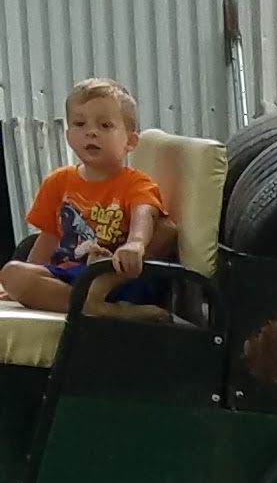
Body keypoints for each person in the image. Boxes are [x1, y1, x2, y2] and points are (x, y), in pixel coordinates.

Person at [3, 81, 168, 312]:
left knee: (166, 230)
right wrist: (23, 285)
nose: (91, 132)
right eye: (80, 124)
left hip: (115, 276)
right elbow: (48, 239)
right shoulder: (58, 181)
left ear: (130, 141)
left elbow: (146, 214)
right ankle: (98, 308)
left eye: (105, 125)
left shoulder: (136, 183)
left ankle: (96, 303)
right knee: (12, 273)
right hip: (69, 275)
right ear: (69, 136)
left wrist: (135, 244)